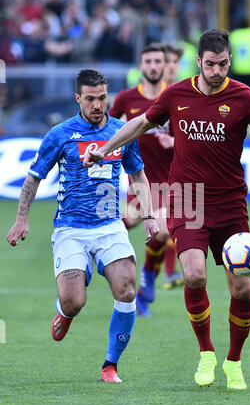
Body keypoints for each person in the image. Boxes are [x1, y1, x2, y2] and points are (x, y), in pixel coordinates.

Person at [83, 30, 250, 390]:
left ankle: (234, 362)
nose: (217, 70)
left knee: (241, 288)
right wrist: (105, 148)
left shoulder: (244, 97)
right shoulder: (177, 93)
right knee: (194, 275)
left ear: (229, 61)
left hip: (229, 203)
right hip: (188, 198)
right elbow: (140, 123)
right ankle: (207, 353)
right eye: (210, 64)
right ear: (198, 61)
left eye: (223, 64)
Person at [7, 69, 159, 383]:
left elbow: (138, 176)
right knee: (74, 301)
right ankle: (65, 311)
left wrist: (150, 216)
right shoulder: (61, 134)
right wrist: (22, 218)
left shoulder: (122, 132)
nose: (97, 104)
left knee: (128, 288)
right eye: (90, 99)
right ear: (78, 98)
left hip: (109, 225)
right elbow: (34, 177)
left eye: (102, 98)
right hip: (71, 229)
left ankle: (110, 366)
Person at [109, 43, 182, 317]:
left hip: (168, 184)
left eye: (157, 62)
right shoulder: (127, 99)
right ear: (141, 66)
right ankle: (135, 292)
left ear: (165, 66)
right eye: (148, 61)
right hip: (136, 184)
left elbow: (192, 138)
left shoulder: (176, 97)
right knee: (118, 227)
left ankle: (148, 279)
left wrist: (173, 140)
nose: (153, 66)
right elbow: (108, 130)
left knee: (162, 231)